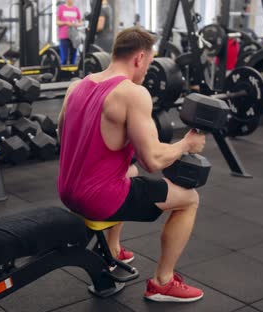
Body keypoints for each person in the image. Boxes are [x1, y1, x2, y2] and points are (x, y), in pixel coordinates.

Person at [57, 27, 206, 303]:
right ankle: (163, 281)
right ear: (139, 58)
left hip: (67, 191)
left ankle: (112, 250)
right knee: (190, 199)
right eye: (149, 65)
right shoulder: (133, 94)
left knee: (129, 170)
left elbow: (62, 136)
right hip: (98, 200)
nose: (147, 72)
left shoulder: (77, 85)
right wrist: (186, 145)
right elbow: (153, 161)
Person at [57, 0, 82, 65]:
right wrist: (66, 23)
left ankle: (72, 73)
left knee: (73, 58)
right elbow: (57, 22)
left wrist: (76, 24)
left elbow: (80, 22)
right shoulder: (61, 8)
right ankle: (63, 73)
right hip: (64, 36)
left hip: (74, 37)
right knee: (64, 58)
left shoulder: (76, 9)